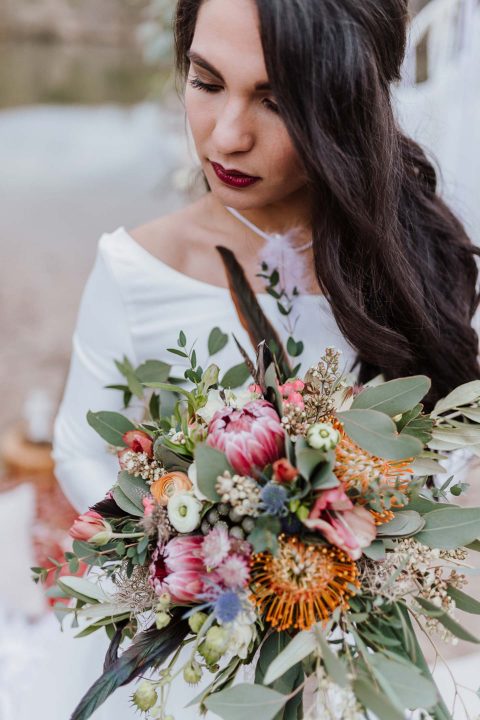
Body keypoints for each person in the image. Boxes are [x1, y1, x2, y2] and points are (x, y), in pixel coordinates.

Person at [51, 0, 480, 718]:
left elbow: (450, 443)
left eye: (275, 100)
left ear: (342, 102)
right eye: (206, 81)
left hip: (356, 655)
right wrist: (189, 563)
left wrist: (365, 540)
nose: (226, 135)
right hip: (191, 657)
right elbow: (75, 447)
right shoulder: (135, 269)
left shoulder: (412, 255)